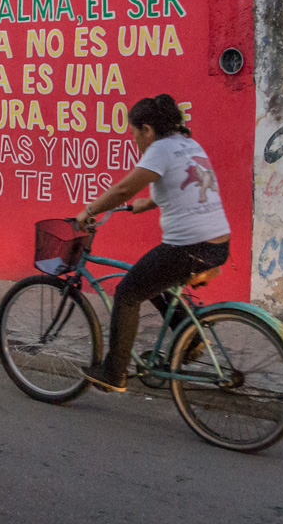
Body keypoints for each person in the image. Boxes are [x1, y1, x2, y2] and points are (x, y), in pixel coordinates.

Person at [74, 94, 230, 393]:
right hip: (217, 244)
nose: (135, 142)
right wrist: (142, 205)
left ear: (147, 130)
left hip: (188, 248)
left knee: (127, 293)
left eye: (134, 135)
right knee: (153, 282)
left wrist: (88, 211)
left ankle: (113, 373)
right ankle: (191, 339)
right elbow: (178, 185)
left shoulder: (159, 149)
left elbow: (122, 188)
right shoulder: (187, 144)